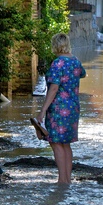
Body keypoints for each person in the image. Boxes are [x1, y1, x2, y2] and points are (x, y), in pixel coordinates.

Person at [36, 33, 86, 184]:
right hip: (73, 107)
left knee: (56, 143)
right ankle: (67, 179)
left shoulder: (57, 63)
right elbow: (83, 74)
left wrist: (43, 109)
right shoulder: (75, 61)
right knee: (66, 144)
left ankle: (61, 180)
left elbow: (53, 88)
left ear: (55, 45)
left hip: (58, 108)